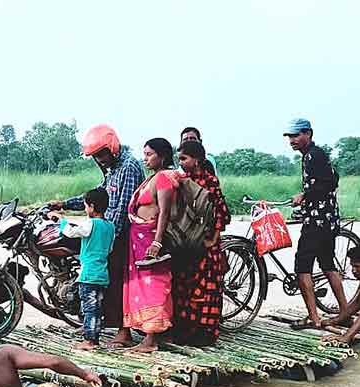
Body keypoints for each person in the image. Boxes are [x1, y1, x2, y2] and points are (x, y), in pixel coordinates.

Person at [49, 125, 144, 349]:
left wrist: (105, 240)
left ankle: (124, 331)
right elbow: (97, 195)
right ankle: (96, 324)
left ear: (112, 148)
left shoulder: (128, 167)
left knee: (116, 284)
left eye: (101, 154)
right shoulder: (112, 169)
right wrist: (65, 204)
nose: (99, 160)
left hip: (118, 236)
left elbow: (122, 208)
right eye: (95, 156)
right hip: (107, 232)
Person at [284, 118, 350, 329]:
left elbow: (328, 183)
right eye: (290, 136)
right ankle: (345, 311)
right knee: (327, 264)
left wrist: (304, 195)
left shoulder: (314, 155)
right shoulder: (313, 155)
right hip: (326, 219)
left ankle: (314, 317)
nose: (292, 140)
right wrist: (307, 197)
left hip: (318, 220)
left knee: (302, 266)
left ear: (308, 134)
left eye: (296, 135)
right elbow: (334, 178)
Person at [171, 140, 231, 346]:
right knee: (184, 288)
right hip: (187, 244)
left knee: (206, 291)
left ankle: (205, 333)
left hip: (205, 246)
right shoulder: (181, 180)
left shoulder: (209, 182)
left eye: (184, 159)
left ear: (197, 160)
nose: (181, 162)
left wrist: (213, 239)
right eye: (179, 159)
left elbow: (221, 213)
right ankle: (186, 330)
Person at [123, 138, 177, 353]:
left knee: (153, 284)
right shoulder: (152, 178)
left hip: (150, 238)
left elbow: (165, 212)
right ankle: (148, 335)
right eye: (144, 154)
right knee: (141, 285)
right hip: (138, 238)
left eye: (149, 154)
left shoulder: (164, 178)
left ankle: (151, 339)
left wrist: (157, 241)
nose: (145, 158)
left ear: (162, 156)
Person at [48, 188, 115, 350]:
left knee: (89, 308)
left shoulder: (91, 223)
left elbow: (71, 232)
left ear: (91, 206)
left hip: (89, 275)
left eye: (85, 206)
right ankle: (95, 337)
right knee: (97, 308)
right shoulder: (110, 226)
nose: (85, 209)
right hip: (102, 274)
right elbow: (110, 248)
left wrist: (61, 220)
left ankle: (89, 341)